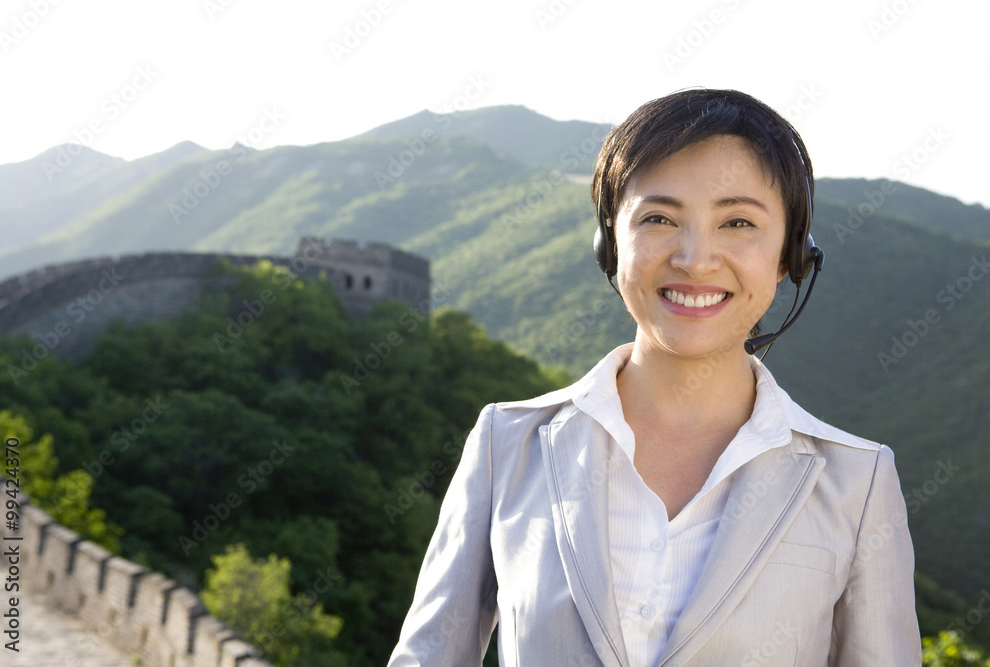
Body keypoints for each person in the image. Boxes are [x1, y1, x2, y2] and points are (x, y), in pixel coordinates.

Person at [388, 89, 921, 666]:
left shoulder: (857, 483)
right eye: (659, 218)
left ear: (790, 256)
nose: (695, 258)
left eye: (738, 222)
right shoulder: (506, 443)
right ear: (610, 245)